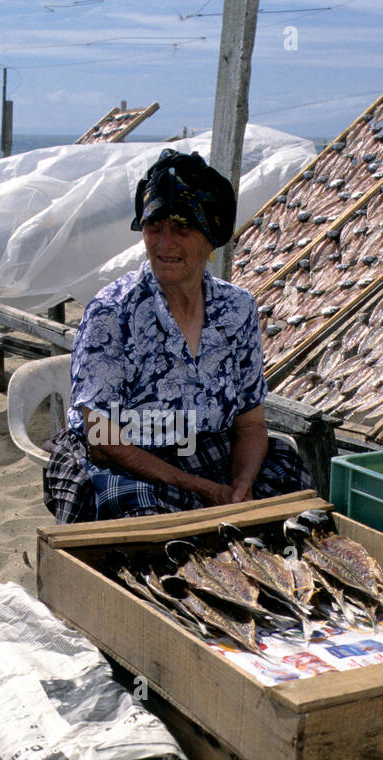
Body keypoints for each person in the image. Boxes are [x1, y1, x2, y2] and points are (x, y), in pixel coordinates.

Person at [43, 148, 312, 523]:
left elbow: (250, 424)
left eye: (182, 229)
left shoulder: (236, 309)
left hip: (209, 450)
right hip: (128, 460)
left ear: (210, 237)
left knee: (292, 495)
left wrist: (241, 486)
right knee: (149, 525)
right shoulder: (113, 311)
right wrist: (201, 489)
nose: (164, 244)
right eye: (155, 228)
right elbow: (102, 438)